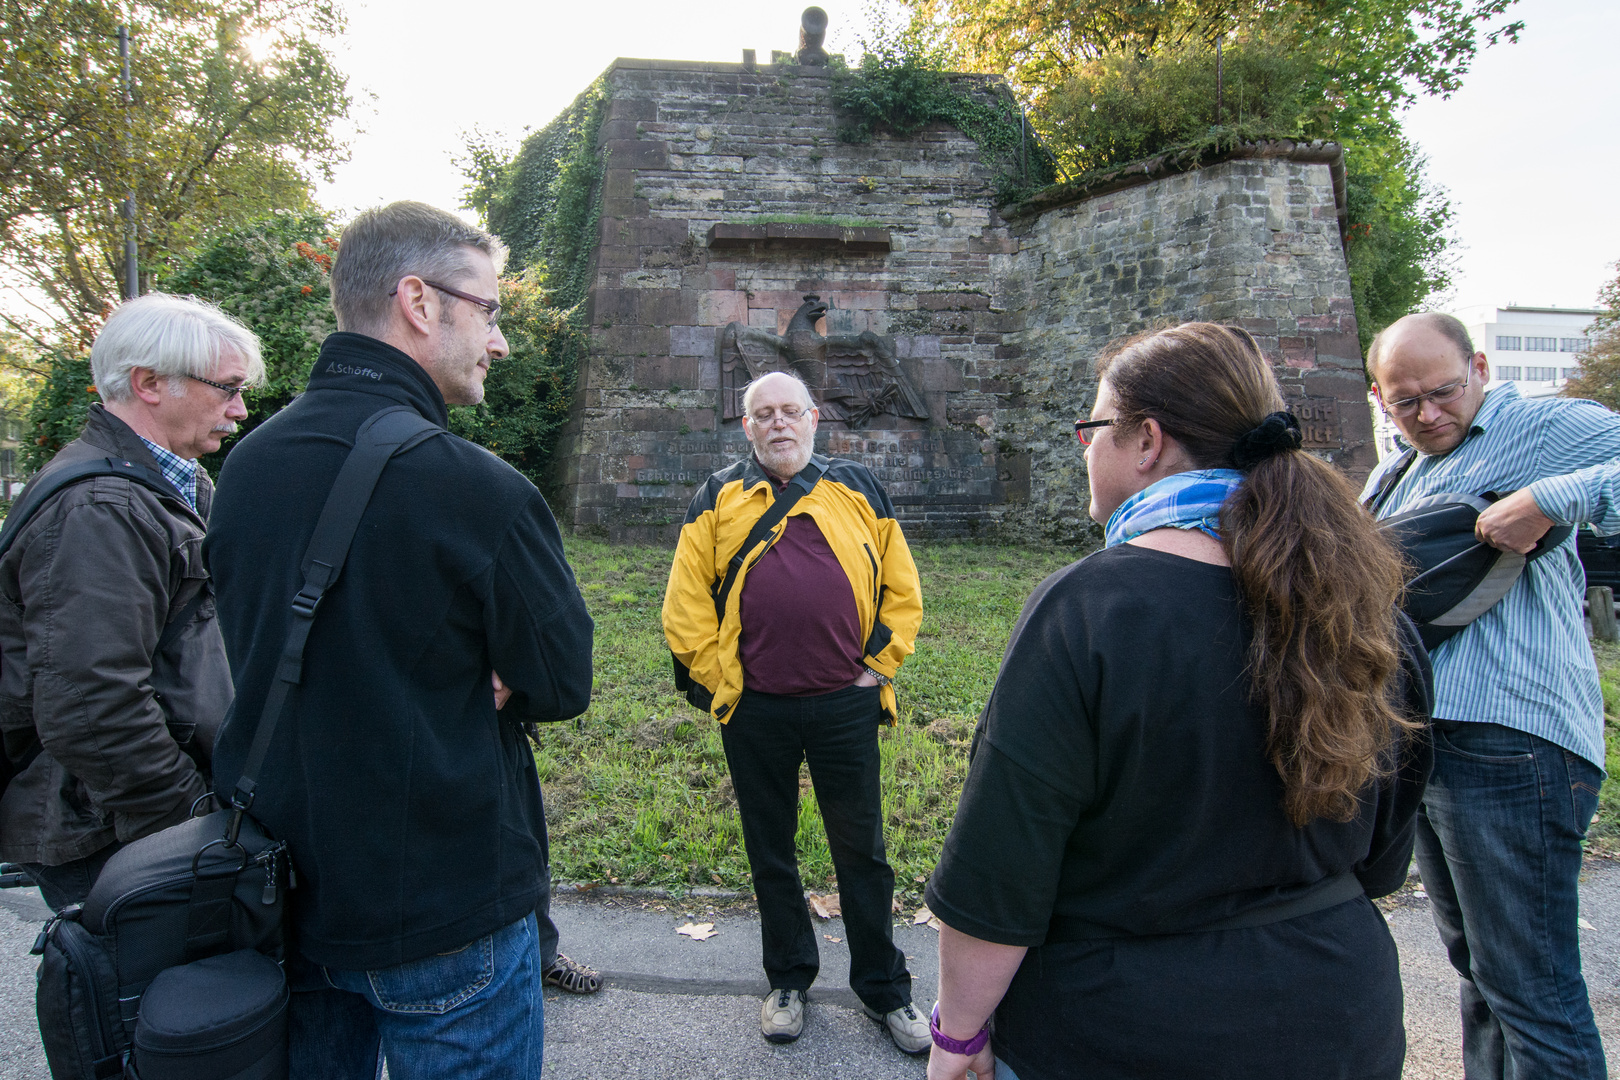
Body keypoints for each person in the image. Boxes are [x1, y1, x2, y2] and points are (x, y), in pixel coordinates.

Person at [925, 322, 1433, 1080]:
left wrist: (959, 1035)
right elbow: (1387, 847)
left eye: (1091, 428)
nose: (1083, 448)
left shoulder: (1090, 609)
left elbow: (1001, 872)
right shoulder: (1363, 599)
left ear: (1147, 443)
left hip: (1121, 1029)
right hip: (1339, 1016)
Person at [205, 201, 594, 1079]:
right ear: (420, 302)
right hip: (445, 906)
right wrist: (486, 674)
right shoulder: (478, 491)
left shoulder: (246, 468)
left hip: (285, 896)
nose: (500, 343)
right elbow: (563, 681)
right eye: (490, 313)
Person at [1360, 311, 1616, 1080]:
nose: (1428, 414)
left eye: (1442, 392)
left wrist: (1551, 499)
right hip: (1429, 742)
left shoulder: (1542, 427)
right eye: (1406, 402)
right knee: (1480, 978)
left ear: (1478, 366)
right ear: (1380, 397)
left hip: (1515, 744)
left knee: (1532, 993)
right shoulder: (1394, 472)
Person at [662, 370, 929, 1053]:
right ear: (747, 427)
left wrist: (878, 664)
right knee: (770, 851)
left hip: (845, 704)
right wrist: (726, 682)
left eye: (790, 411)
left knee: (862, 852)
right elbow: (685, 605)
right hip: (756, 713)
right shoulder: (717, 496)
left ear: (814, 418)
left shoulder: (860, 487)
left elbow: (902, 587)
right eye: (763, 414)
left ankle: (886, 991)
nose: (778, 423)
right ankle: (787, 980)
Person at [0, 293, 259, 909]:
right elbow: (93, 703)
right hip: (106, 826)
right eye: (225, 388)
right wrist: (190, 819)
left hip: (124, 817)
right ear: (148, 383)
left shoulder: (168, 483)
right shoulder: (100, 507)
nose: (240, 409)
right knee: (147, 999)